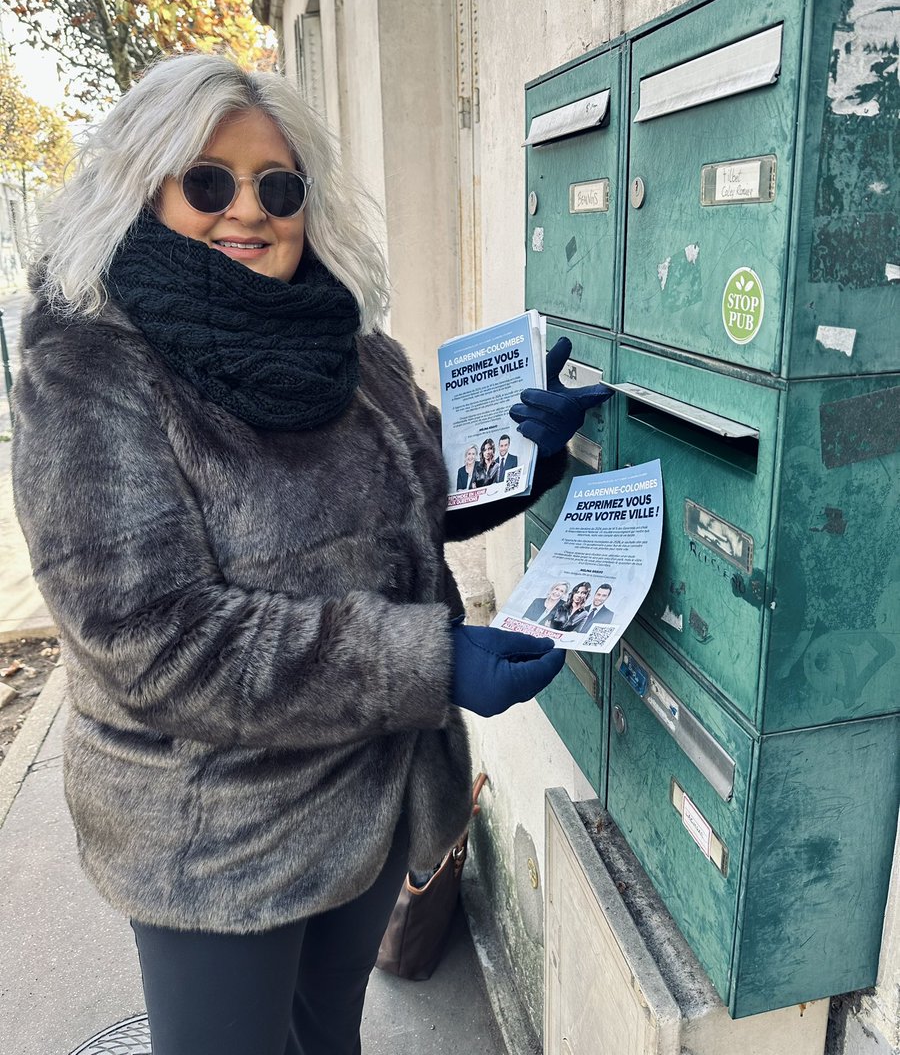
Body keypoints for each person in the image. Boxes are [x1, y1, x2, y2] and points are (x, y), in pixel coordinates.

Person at [11, 52, 612, 1055]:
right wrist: (428, 662)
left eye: (277, 187)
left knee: (328, 1037)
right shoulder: (89, 365)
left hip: (368, 799)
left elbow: (411, 502)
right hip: (219, 836)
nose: (249, 209)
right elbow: (152, 639)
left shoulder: (349, 344)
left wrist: (524, 458)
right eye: (209, 182)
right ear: (145, 190)